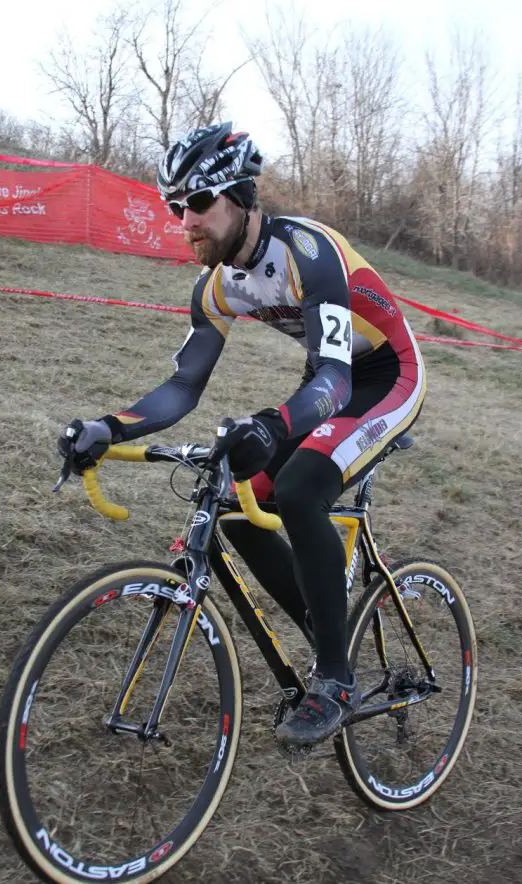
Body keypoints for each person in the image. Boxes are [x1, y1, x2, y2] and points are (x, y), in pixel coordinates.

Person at [58, 121, 426, 747]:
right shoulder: (217, 286)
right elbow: (182, 388)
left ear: (242, 197)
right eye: (176, 207)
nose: (185, 221)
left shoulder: (309, 253)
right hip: (327, 381)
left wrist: (271, 424)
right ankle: (326, 624)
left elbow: (337, 378)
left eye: (199, 203)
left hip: (385, 376)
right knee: (233, 504)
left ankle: (334, 679)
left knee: (302, 484)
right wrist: (106, 426)